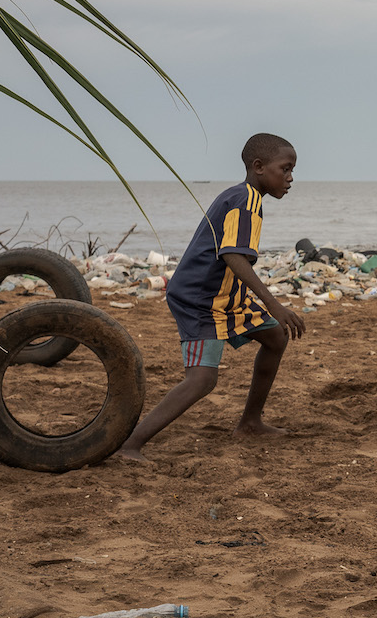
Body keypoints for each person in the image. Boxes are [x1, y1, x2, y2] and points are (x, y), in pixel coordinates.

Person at [117, 134, 307, 461]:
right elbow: (234, 256)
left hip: (227, 296)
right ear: (259, 167)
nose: (290, 178)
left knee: (275, 337)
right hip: (201, 297)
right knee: (203, 379)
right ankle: (130, 444)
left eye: (292, 171)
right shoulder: (245, 199)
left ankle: (250, 423)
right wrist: (274, 303)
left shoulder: (246, 197)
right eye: (285, 169)